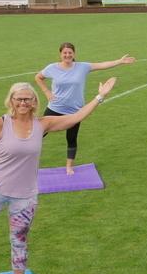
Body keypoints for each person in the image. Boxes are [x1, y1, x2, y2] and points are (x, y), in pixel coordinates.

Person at [0, 79, 116, 274]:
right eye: (19, 99)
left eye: (27, 99)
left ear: (34, 102)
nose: (23, 103)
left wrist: (100, 96)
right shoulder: (0, 123)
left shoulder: (43, 124)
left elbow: (76, 118)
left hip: (26, 195)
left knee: (19, 241)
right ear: (11, 101)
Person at [34, 42, 135, 175]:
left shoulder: (82, 67)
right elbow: (38, 77)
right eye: (65, 53)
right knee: (37, 134)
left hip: (75, 111)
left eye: (70, 52)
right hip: (55, 108)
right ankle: (26, 161)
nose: (67, 55)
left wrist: (119, 61)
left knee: (71, 138)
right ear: (60, 54)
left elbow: (102, 65)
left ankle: (69, 167)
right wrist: (47, 91)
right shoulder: (52, 68)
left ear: (74, 54)